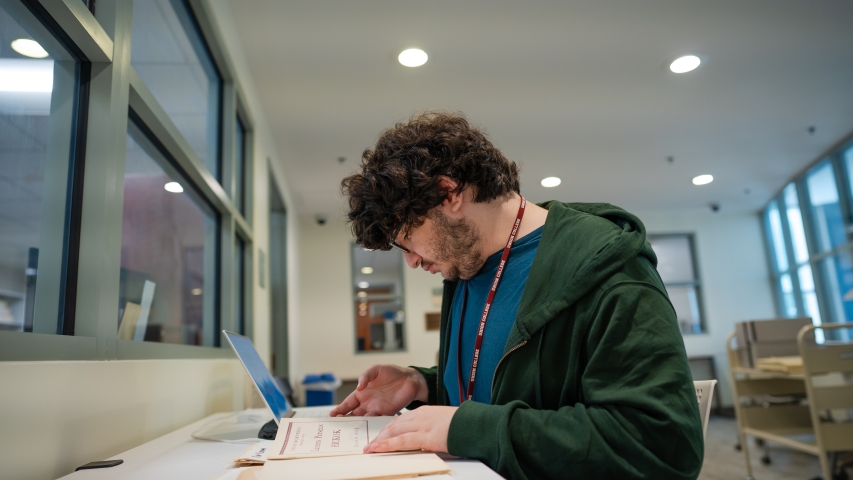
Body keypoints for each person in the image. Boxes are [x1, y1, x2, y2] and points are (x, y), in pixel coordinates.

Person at [331, 111, 704, 479]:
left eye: (408, 240)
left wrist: (469, 429)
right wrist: (424, 383)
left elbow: (663, 446)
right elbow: (507, 384)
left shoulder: (611, 270)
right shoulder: (467, 267)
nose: (412, 261)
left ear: (449, 194)